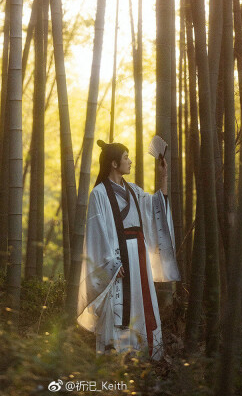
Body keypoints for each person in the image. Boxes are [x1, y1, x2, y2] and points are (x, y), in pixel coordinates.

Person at [76, 139, 180, 361]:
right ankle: (117, 359)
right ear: (114, 163)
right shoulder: (99, 194)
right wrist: (110, 264)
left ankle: (143, 355)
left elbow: (155, 208)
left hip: (138, 257)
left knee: (141, 303)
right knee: (119, 306)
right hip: (117, 261)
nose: (130, 161)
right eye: (126, 157)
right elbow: (97, 232)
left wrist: (163, 177)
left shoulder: (133, 190)